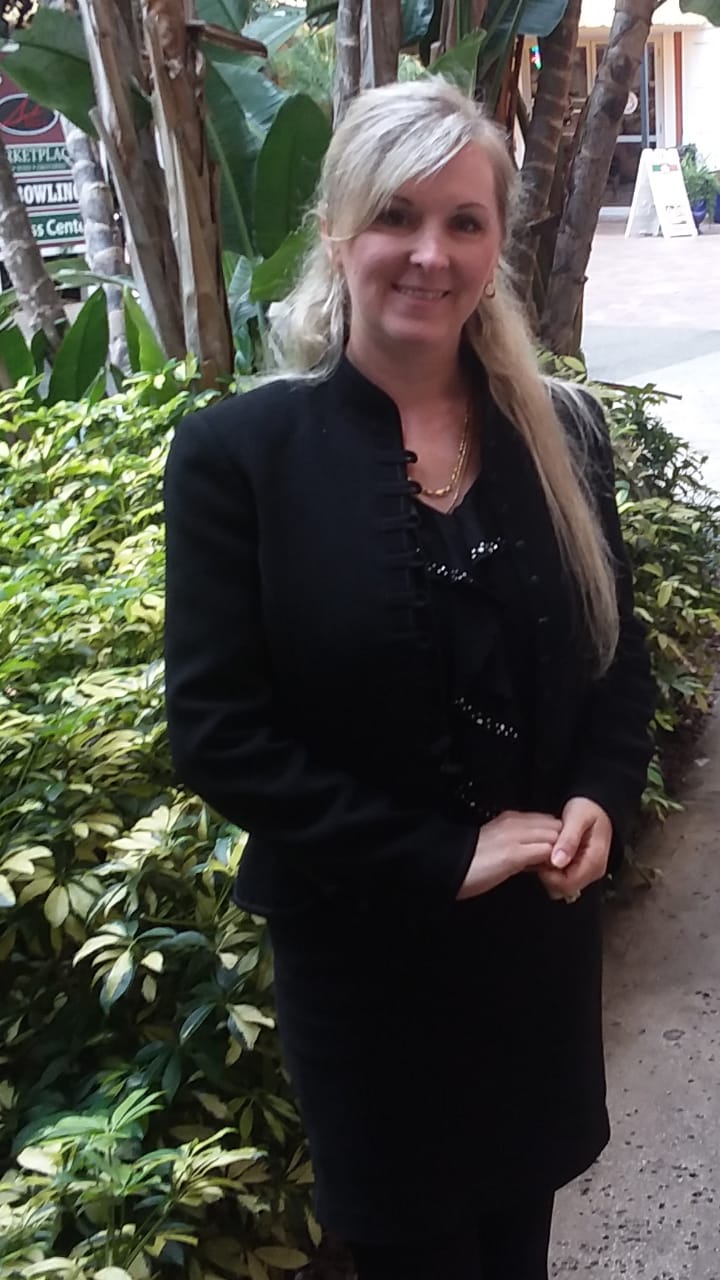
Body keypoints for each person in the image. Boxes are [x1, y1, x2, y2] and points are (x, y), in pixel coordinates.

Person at [164, 79, 655, 1280]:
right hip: (366, 964)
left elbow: (617, 662)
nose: (431, 254)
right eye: (396, 215)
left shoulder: (563, 432)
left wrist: (598, 795)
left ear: (495, 245)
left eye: (464, 221)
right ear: (338, 232)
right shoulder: (241, 456)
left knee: (518, 1247)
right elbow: (219, 731)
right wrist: (442, 853)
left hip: (535, 951)